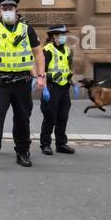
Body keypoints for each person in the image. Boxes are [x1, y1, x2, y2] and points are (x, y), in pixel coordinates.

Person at [0, 0, 45, 169]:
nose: (7, 12)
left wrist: (41, 76)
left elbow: (38, 53)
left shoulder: (26, 29)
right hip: (1, 81)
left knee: (22, 119)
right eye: (4, 9)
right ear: (0, 11)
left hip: (22, 80)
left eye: (10, 9)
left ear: (16, 10)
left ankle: (23, 152)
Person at [39, 24, 75, 156]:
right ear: (54, 36)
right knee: (50, 117)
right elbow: (40, 71)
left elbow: (69, 67)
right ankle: (45, 144)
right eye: (61, 34)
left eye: (64, 34)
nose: (63, 37)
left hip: (64, 88)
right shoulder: (47, 50)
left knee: (63, 117)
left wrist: (71, 77)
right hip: (51, 87)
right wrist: (48, 79)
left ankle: (61, 144)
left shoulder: (67, 50)